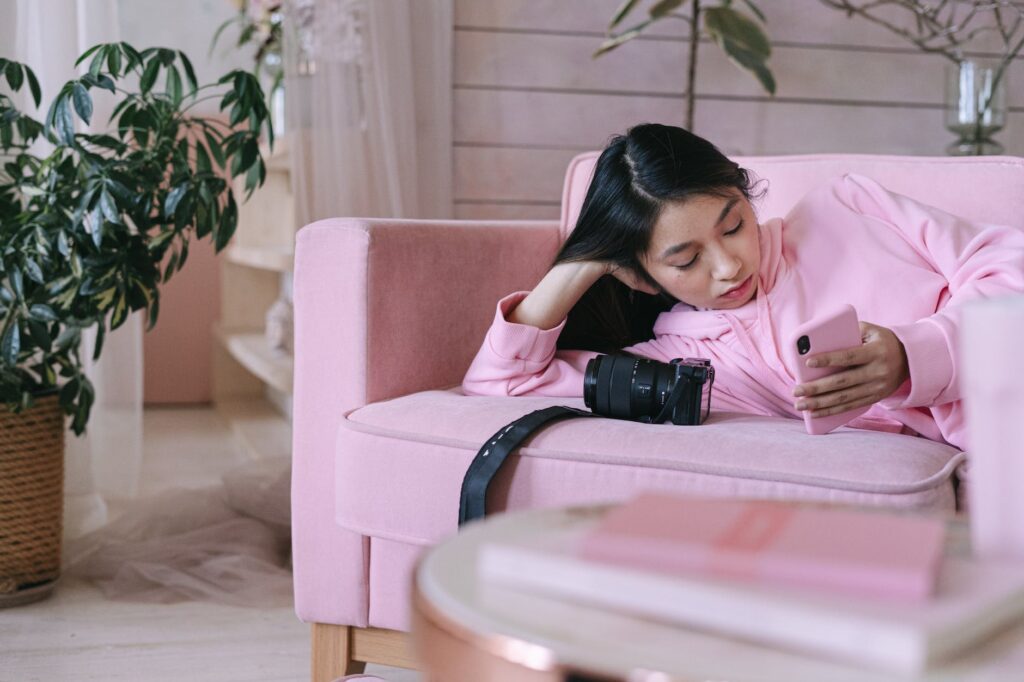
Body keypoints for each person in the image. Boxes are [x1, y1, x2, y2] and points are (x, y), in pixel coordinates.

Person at [461, 123, 1024, 450]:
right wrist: (582, 262)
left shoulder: (848, 208)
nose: (729, 266)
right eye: (686, 260)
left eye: (733, 225)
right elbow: (497, 386)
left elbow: (1011, 268)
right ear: (639, 274)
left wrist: (913, 355)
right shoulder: (685, 362)